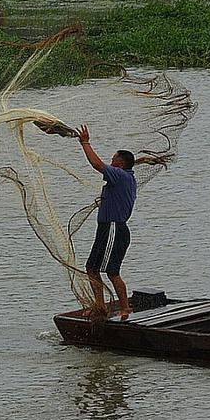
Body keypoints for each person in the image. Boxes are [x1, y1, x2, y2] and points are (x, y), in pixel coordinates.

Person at [77, 125, 137, 321]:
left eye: (113, 160)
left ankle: (125, 309)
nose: (110, 163)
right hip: (107, 228)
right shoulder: (125, 176)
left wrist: (85, 143)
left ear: (120, 165)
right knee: (91, 268)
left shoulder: (119, 176)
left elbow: (97, 164)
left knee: (112, 272)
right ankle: (100, 306)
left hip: (114, 227)